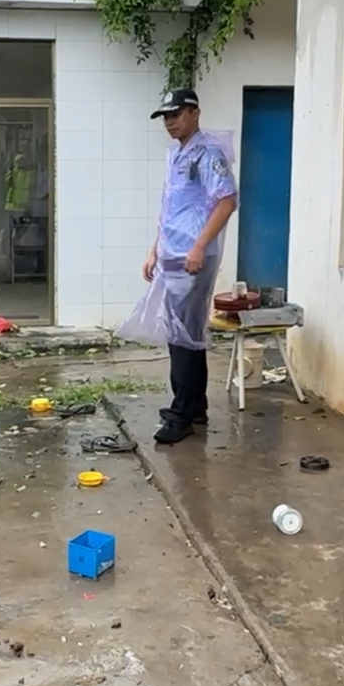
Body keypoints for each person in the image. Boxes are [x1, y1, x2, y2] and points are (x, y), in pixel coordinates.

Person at [142, 87, 238, 445]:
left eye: (176, 114)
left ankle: (180, 415)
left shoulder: (207, 154)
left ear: (194, 113)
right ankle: (195, 406)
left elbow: (227, 201)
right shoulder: (178, 154)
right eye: (165, 116)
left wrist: (198, 247)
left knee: (181, 335)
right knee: (186, 333)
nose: (170, 122)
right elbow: (172, 208)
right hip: (174, 254)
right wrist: (155, 250)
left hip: (192, 256)